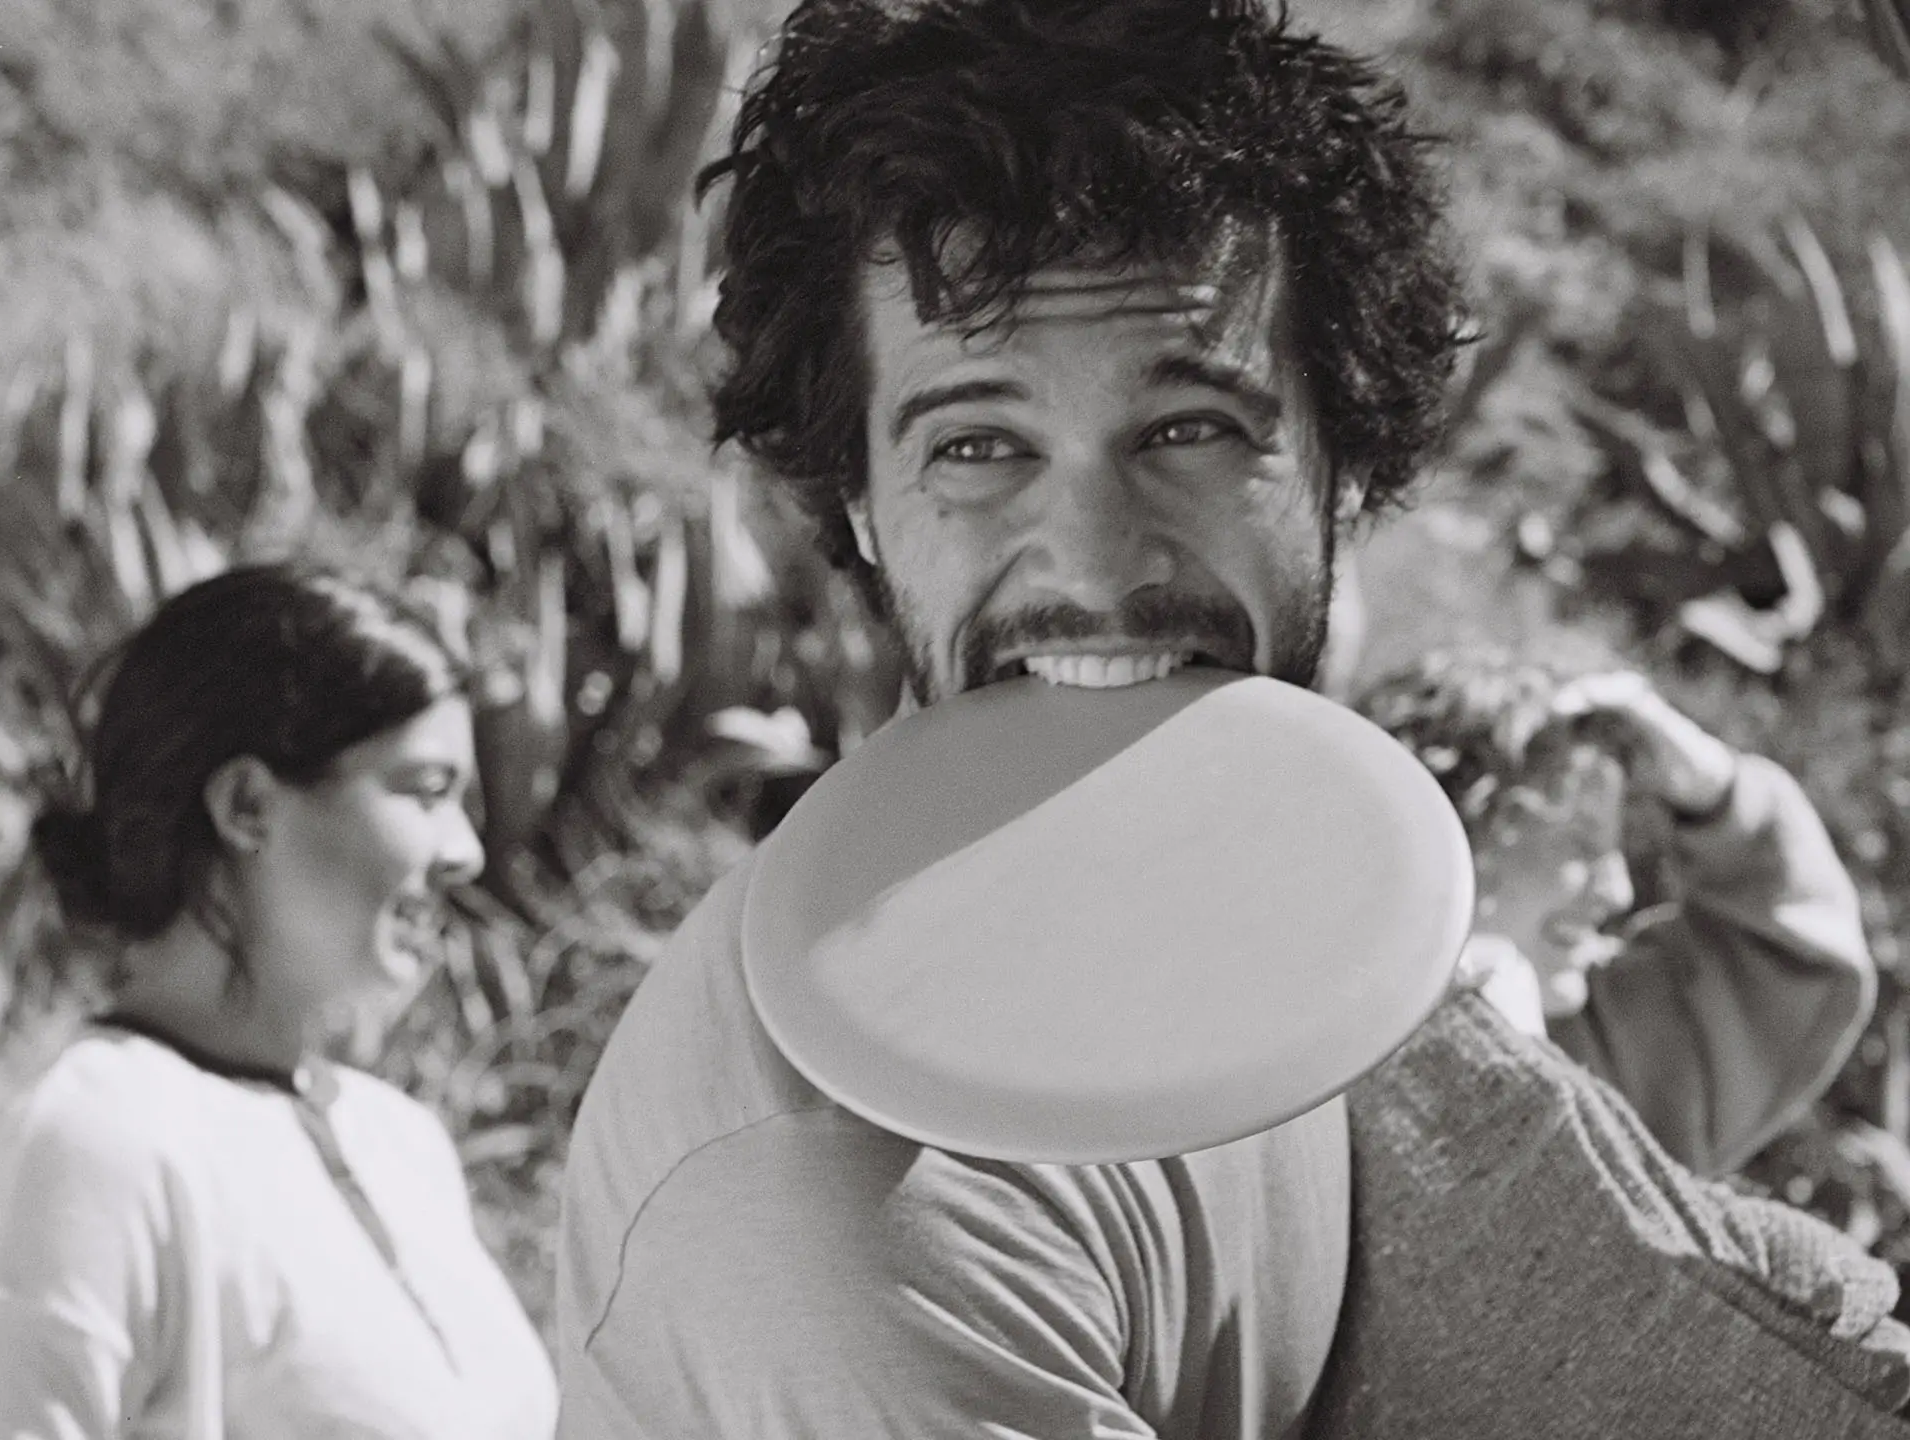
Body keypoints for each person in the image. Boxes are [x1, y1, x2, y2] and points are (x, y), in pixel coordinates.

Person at [555, 1, 1470, 1434]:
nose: (1099, 564)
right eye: (979, 447)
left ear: (1345, 462)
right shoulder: (829, 1216)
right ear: (856, 501)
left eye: (1189, 430)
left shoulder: (1286, 920)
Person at [0, 565, 558, 1440]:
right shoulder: (93, 1152)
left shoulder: (404, 1144)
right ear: (247, 805)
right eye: (427, 791)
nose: (466, 852)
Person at [1356, 651, 1875, 1177]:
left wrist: (1718, 794)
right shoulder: (1306, 1014)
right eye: (1581, 844)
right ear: (1449, 824)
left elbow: (1792, 970)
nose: (1618, 891)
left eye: (1616, 847)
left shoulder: (1602, 1055)